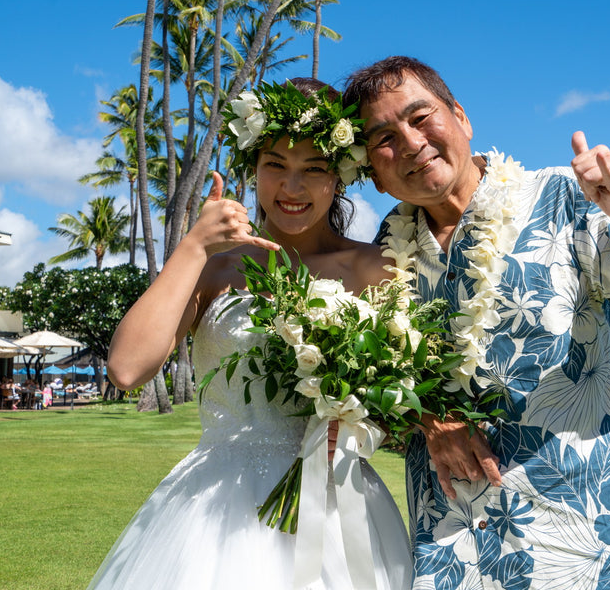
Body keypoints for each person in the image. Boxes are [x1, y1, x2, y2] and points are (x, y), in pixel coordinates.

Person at [344, 57, 610, 590]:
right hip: (454, 539)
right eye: (384, 138)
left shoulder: (560, 197)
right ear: (373, 171)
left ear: (461, 118)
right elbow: (377, 383)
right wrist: (430, 421)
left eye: (421, 117)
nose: (411, 143)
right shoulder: (382, 255)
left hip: (584, 533)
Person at [87, 78, 413, 590]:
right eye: (275, 166)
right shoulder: (214, 268)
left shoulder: (374, 268)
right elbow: (128, 368)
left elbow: (403, 402)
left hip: (337, 505)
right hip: (214, 507)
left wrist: (362, 425)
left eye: (314, 169)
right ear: (252, 169)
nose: (292, 188)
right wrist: (193, 248)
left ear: (341, 175)